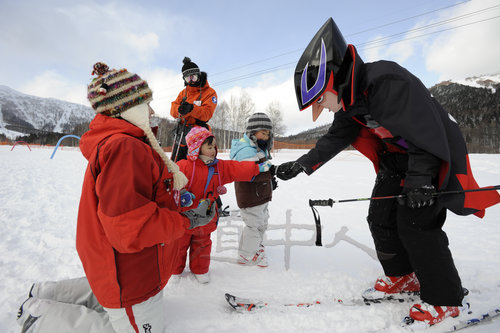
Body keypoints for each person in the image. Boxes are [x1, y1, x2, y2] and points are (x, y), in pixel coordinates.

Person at [276, 18, 500, 327]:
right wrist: (303, 164)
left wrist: (421, 182)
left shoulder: (387, 82)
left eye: (320, 101)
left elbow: (426, 132)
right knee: (379, 216)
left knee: (416, 223)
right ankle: (402, 277)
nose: (323, 109)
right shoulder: (350, 102)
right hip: (396, 161)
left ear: (333, 81)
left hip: (431, 157)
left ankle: (445, 300)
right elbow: (336, 137)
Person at [16, 62, 217, 333]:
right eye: (146, 104)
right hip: (130, 273)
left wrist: (178, 206)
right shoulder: (125, 148)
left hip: (127, 267)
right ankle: (41, 317)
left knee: (108, 291)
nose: (153, 111)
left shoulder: (128, 143)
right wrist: (185, 223)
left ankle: (45, 292)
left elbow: (141, 199)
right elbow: (129, 227)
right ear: (129, 108)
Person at [174, 126, 272, 283]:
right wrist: (183, 194)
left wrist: (257, 168)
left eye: (214, 147)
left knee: (203, 244)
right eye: (209, 147)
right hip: (185, 216)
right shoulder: (184, 166)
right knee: (178, 244)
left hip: (206, 216)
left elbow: (236, 169)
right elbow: (173, 183)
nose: (213, 150)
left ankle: (200, 270)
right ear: (196, 148)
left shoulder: (218, 167)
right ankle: (174, 270)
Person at [230, 112, 276, 267]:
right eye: (263, 133)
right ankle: (249, 254)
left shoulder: (257, 147)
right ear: (252, 132)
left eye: (268, 133)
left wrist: (271, 179)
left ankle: (248, 250)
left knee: (260, 222)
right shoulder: (246, 150)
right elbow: (248, 175)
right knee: (254, 225)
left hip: (259, 195)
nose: (266, 136)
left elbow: (263, 169)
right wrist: (270, 173)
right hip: (251, 197)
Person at [170, 57, 217, 162]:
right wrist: (180, 109)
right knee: (176, 164)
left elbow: (207, 114)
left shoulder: (209, 92)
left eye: (193, 77)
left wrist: (192, 109)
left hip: (199, 136)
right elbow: (173, 109)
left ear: (199, 75)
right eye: (188, 78)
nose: (191, 81)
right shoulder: (183, 93)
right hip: (182, 134)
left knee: (196, 167)